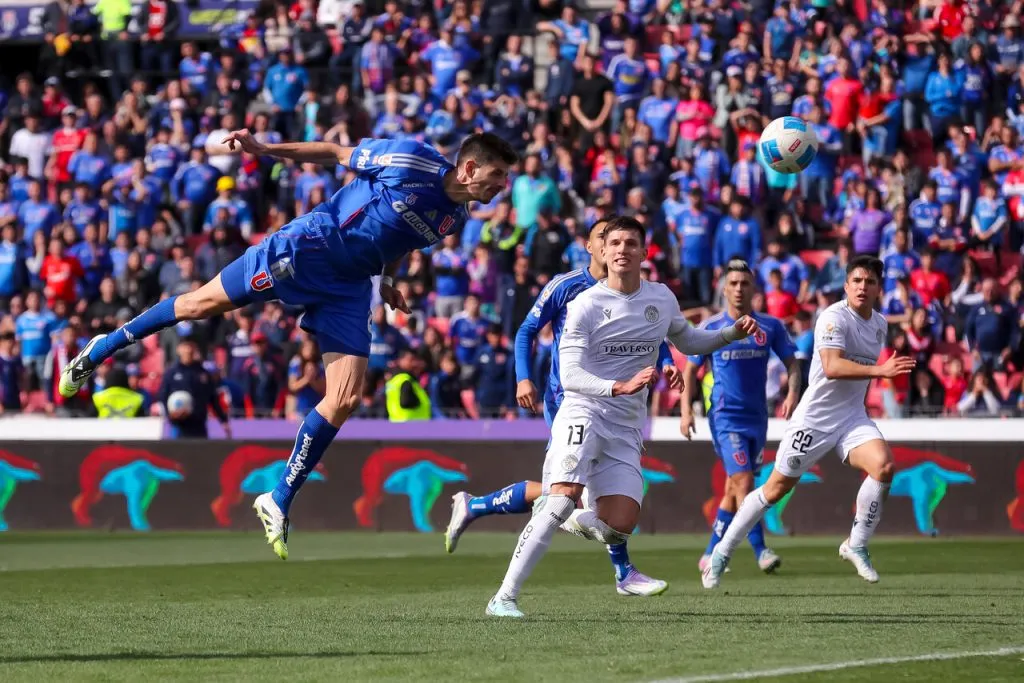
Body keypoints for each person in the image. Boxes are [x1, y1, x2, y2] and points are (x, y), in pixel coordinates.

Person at [59, 131, 518, 560]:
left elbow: (404, 238)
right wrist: (263, 149)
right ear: (469, 168)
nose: (502, 186)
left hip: (351, 285)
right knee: (200, 305)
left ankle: (278, 498)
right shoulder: (411, 159)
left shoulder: (454, 217)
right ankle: (104, 346)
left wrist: (391, 279)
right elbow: (334, 153)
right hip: (308, 247)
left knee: (345, 399)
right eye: (497, 175)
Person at [486, 216, 760, 617]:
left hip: (627, 423)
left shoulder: (661, 298)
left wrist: (729, 334)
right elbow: (573, 375)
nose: (621, 250)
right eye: (614, 243)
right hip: (584, 409)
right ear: (602, 251)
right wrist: (620, 385)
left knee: (620, 522)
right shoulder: (586, 304)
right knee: (561, 498)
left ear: (644, 253)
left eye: (631, 243)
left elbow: (688, 340)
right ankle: (504, 597)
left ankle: (564, 515)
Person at [445, 217, 679, 598]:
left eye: (620, 239)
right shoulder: (569, 287)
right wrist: (523, 377)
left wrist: (666, 359)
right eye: (604, 238)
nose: (613, 246)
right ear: (592, 247)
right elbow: (525, 330)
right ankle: (621, 571)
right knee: (568, 490)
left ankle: (478, 505)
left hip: (620, 406)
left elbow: (649, 330)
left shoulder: (637, 292)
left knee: (581, 493)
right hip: (570, 398)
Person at [702, 256, 915, 589]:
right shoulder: (832, 317)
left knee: (884, 467)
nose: (862, 287)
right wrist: (880, 370)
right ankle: (720, 555)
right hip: (814, 419)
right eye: (856, 281)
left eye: (869, 282)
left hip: (852, 417)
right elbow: (832, 367)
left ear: (878, 289)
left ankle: (856, 544)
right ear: (846, 285)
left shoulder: (879, 324)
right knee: (774, 489)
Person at [681, 258, 801, 575]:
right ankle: (761, 551)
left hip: (757, 418)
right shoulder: (711, 327)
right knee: (745, 481)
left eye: (744, 283)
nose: (738, 289)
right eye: (733, 283)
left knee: (734, 489)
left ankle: (709, 555)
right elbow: (690, 370)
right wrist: (684, 411)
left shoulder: (771, 327)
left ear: (753, 289)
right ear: (723, 288)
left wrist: (792, 394)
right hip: (724, 416)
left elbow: (793, 364)